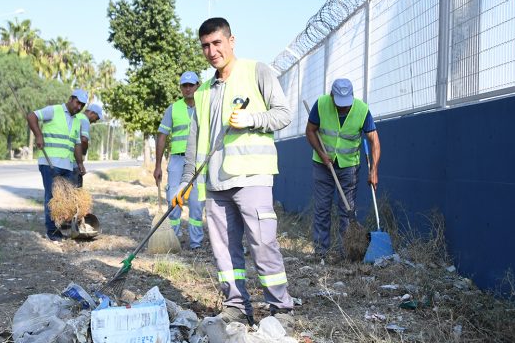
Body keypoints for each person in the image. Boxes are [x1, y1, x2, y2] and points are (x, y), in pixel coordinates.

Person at [174, 17, 294, 328]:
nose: (211, 51)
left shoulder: (257, 71)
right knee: (225, 252)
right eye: (205, 46)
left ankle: (280, 309)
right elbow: (193, 144)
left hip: (252, 177)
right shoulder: (202, 93)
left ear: (231, 41)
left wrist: (251, 119)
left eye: (217, 43)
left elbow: (283, 114)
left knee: (263, 244)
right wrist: (186, 182)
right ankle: (236, 307)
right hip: (216, 183)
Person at [305, 78, 380, 257]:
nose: (343, 108)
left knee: (347, 211)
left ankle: (346, 253)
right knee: (322, 209)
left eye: (346, 104)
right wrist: (322, 155)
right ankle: (321, 252)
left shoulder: (362, 110)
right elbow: (310, 131)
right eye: (339, 104)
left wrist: (374, 170)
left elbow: (374, 141)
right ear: (332, 96)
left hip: (349, 167)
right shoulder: (321, 104)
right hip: (323, 165)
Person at [26, 89, 88, 242]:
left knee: (68, 199)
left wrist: (80, 163)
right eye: (77, 103)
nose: (79, 107)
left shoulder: (77, 121)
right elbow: (31, 116)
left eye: (82, 105)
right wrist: (39, 135)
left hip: (67, 166)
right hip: (49, 162)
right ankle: (52, 231)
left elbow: (77, 144)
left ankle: (65, 228)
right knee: (52, 197)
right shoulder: (54, 110)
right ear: (71, 98)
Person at [154, 71, 204, 250]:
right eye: (185, 85)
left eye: (191, 85)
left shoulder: (205, 107)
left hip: (199, 162)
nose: (188, 88)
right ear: (181, 88)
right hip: (177, 161)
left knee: (197, 204)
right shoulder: (173, 108)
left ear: (198, 85)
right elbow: (162, 136)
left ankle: (196, 244)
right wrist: (158, 165)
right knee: (173, 202)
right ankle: (172, 240)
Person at [73, 103, 103, 187]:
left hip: (66, 159)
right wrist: (82, 155)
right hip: (74, 161)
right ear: (92, 113)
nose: (95, 121)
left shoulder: (76, 116)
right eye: (96, 118)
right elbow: (84, 140)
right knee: (76, 190)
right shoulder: (84, 120)